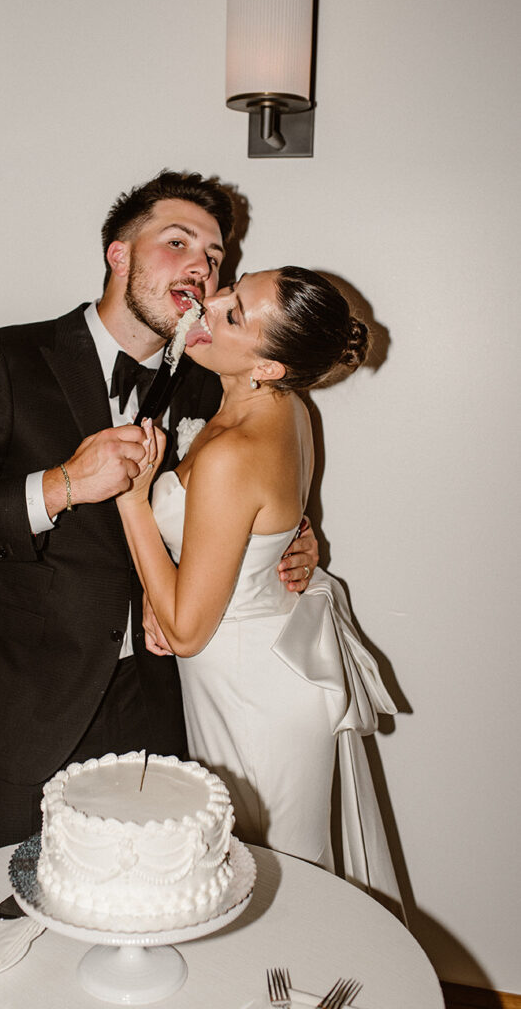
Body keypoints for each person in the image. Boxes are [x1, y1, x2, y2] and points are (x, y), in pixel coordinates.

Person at [0, 171, 319, 856]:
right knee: (18, 923)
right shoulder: (1, 360)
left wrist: (294, 540)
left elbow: (248, 498)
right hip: (22, 713)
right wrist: (59, 486)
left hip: (161, 708)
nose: (202, 267)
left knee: (150, 923)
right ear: (118, 254)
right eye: (177, 242)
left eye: (213, 255)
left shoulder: (219, 380)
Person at [116, 266, 390, 867]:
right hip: (262, 660)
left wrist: (133, 503)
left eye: (234, 313)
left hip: (246, 690)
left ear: (268, 367)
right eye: (230, 290)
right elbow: (266, 531)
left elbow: (188, 632)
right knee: (263, 867)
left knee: (264, 874)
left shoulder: (234, 452)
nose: (209, 304)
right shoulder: (290, 409)